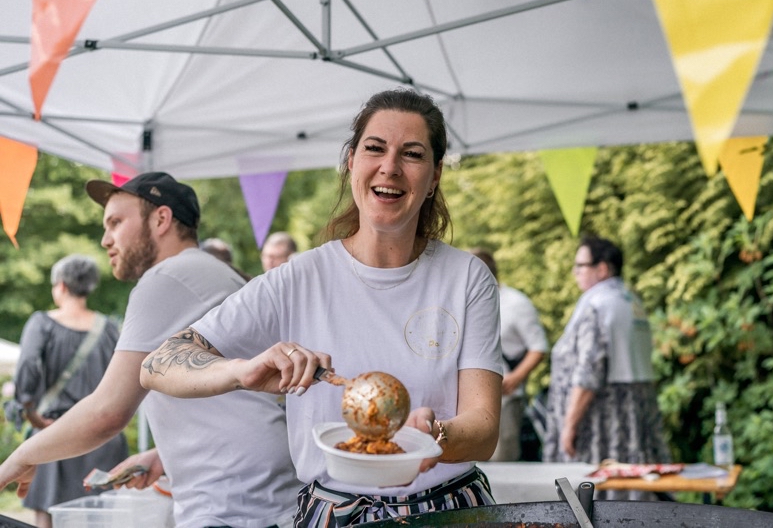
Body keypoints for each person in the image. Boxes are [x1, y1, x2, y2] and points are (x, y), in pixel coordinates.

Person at [140, 88, 504, 526]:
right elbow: (157, 364)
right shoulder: (299, 278)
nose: (389, 167)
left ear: (435, 175)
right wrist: (242, 371)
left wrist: (432, 435)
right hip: (334, 512)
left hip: (449, 511)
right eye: (374, 148)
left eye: (412, 154)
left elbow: (483, 430)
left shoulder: (465, 278)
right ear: (351, 160)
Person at [0, 172, 302, 528]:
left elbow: (107, 414)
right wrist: (163, 457)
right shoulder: (212, 271)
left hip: (235, 503)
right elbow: (235, 399)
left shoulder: (166, 278)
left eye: (115, 222)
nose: (105, 239)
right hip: (261, 492)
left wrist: (19, 457)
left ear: (161, 219)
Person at [543, 236, 671, 499]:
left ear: (602, 269)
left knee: (598, 501)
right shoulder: (630, 300)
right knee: (633, 495)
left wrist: (569, 425)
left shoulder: (596, 304)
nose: (575, 272)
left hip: (602, 425)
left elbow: (589, 372)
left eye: (580, 265)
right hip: (634, 415)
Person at [11, 254, 127, 528]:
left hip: (55, 432)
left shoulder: (42, 323)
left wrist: (33, 417)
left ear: (61, 286)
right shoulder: (110, 328)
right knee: (102, 517)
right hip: (104, 436)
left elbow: (27, 365)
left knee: (46, 513)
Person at [469, 248, 549, 462]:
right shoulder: (464, 300)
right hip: (470, 399)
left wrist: (515, 378)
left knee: (501, 461)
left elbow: (538, 347)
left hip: (505, 399)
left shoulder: (516, 303)